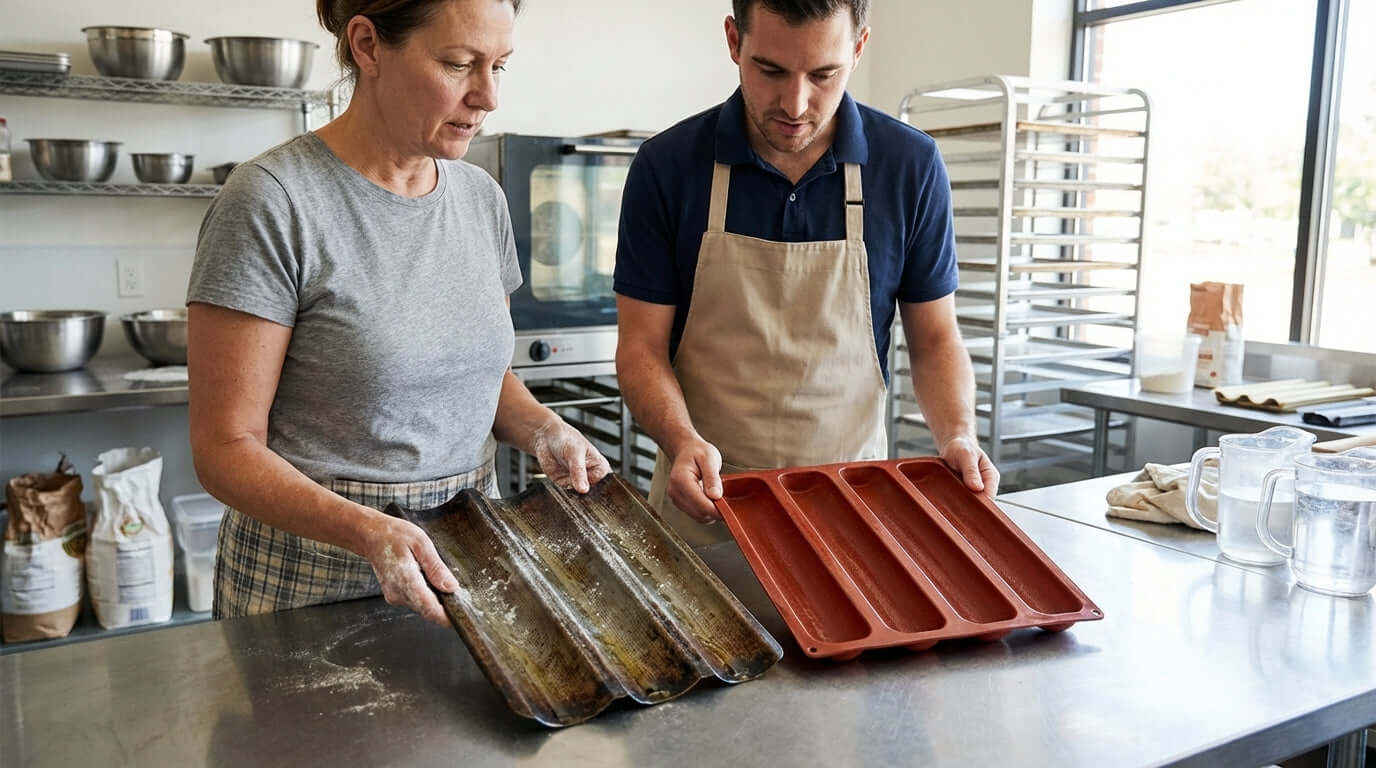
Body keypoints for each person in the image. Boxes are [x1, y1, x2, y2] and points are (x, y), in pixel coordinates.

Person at [186, 0, 609, 626]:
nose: (487, 96)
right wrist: (369, 531)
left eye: (499, 66)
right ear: (368, 45)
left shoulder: (480, 200)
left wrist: (546, 428)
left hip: (466, 562)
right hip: (309, 584)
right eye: (459, 63)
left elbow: (479, 377)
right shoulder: (273, 201)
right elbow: (225, 447)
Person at [614, 0, 997, 546]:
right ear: (733, 41)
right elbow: (640, 350)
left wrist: (958, 435)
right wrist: (681, 442)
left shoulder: (910, 166)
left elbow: (935, 339)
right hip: (707, 508)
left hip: (855, 507)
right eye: (770, 70)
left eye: (824, 74)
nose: (795, 104)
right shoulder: (667, 167)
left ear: (859, 47)